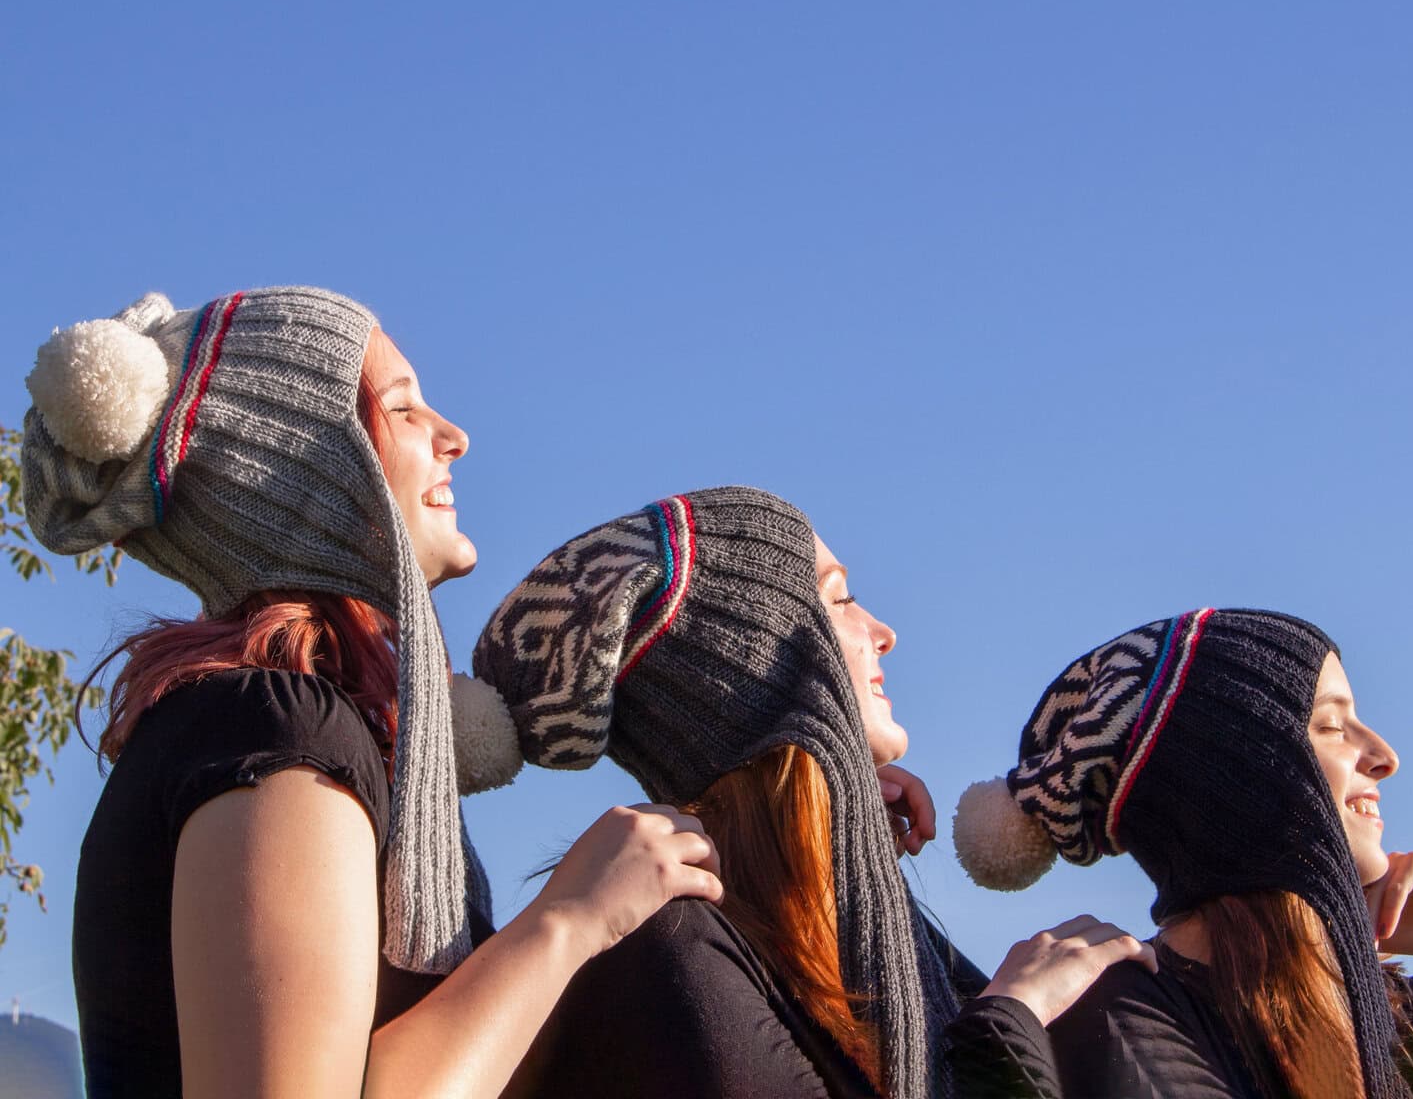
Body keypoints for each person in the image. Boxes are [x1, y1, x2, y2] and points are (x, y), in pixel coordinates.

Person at [21, 288, 722, 1099]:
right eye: (403, 409)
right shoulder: (276, 736)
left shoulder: (298, 734)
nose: (454, 436)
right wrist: (568, 921)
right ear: (315, 471)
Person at [463, 486, 1153, 1098]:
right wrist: (1011, 1022)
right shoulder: (669, 944)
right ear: (760, 667)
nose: (883, 632)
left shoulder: (806, 928)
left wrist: (839, 841)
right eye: (839, 599)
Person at [952, 608, 1413, 1098]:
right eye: (1331, 726)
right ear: (1239, 776)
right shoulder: (1117, 1023)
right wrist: (999, 1033)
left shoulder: (1409, 1017)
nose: (1385, 756)